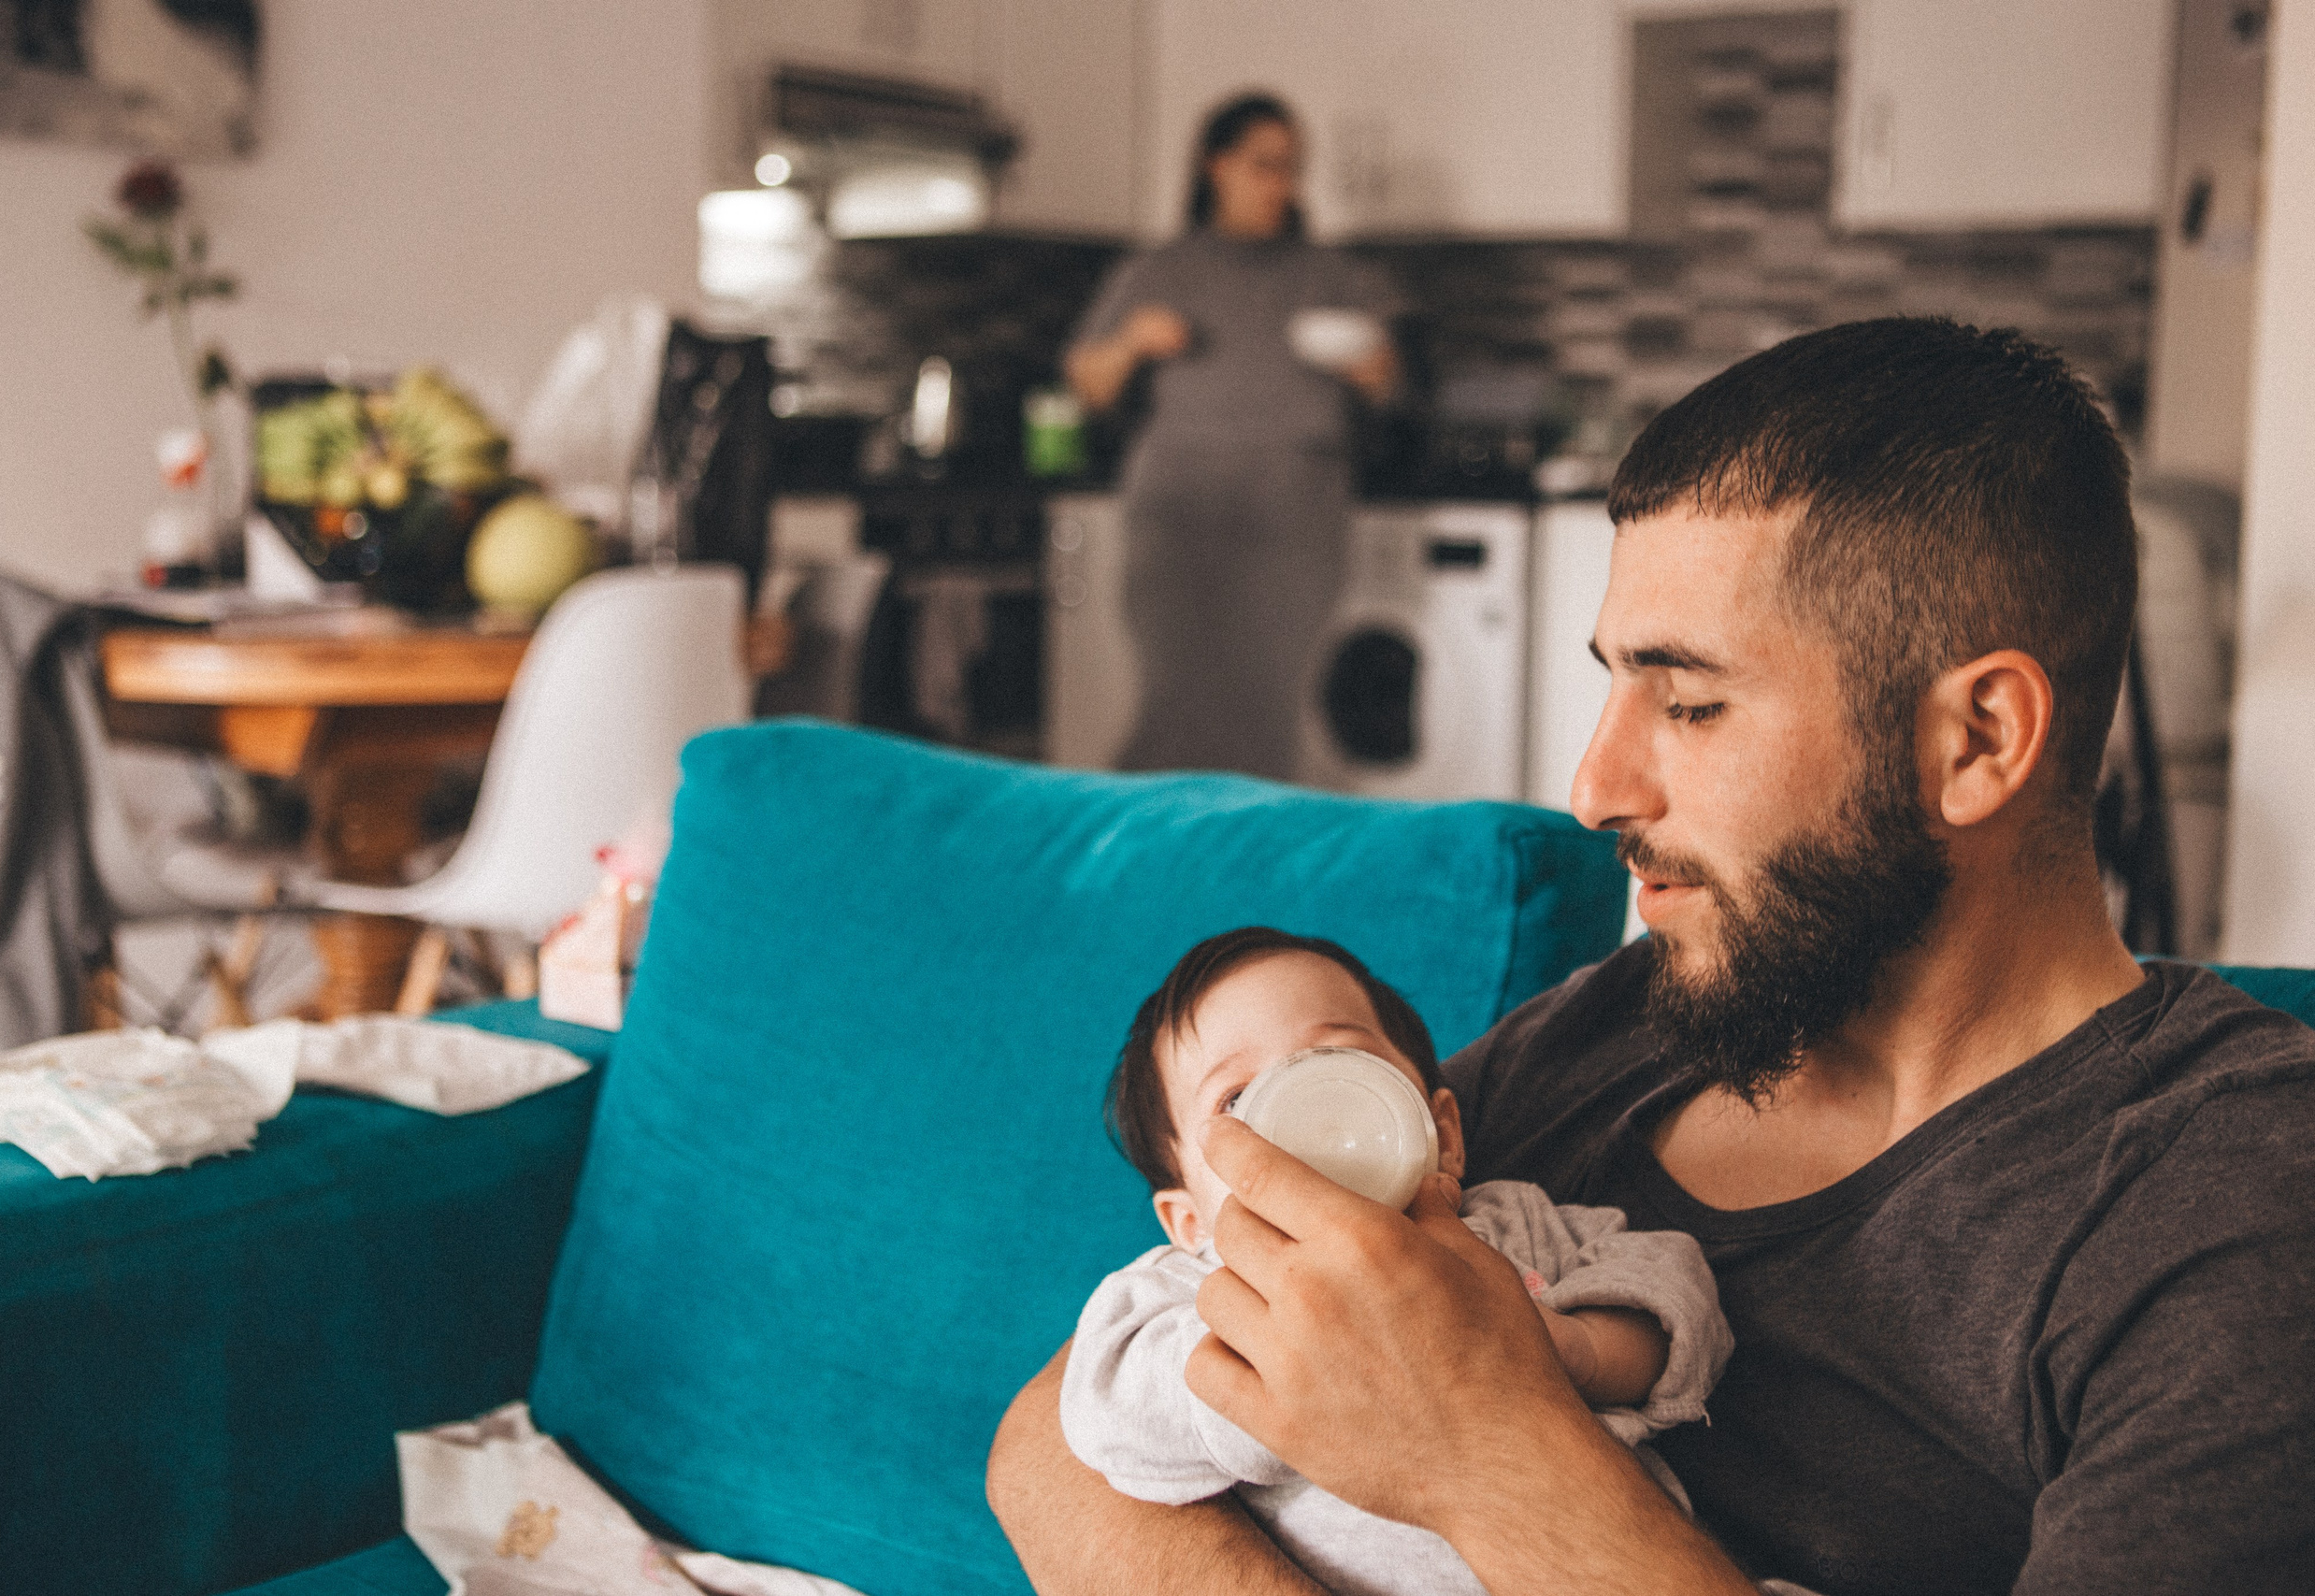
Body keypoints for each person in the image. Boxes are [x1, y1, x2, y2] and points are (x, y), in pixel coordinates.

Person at [989, 317, 2315, 1594]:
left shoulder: (2229, 1200)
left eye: (1690, 701)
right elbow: (1051, 1441)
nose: (1592, 784)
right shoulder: (1648, 1013)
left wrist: (1484, 1447)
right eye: (1612, 685)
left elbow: (1436, 1409)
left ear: (1974, 740)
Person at [1063, 926, 1730, 1596]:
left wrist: (1570, 1349)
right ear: (1188, 1219)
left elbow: (1678, 1290)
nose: (1308, 1101)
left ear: (1443, 1133)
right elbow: (1101, 1416)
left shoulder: (1510, 1220)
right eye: (1235, 1099)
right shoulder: (1187, 1287)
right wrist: (1278, 1380)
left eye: (1339, 1056)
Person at [1065, 93, 1400, 779]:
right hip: (1180, 514)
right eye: (1265, 165)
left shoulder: (1331, 275)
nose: (1283, 183)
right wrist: (1132, 342)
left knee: (1275, 706)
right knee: (1175, 701)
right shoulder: (1157, 271)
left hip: (1297, 513)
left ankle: (1256, 868)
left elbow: (1391, 385)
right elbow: (1088, 383)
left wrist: (1371, 364)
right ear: (1215, 165)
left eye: (1293, 167)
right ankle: (1146, 858)